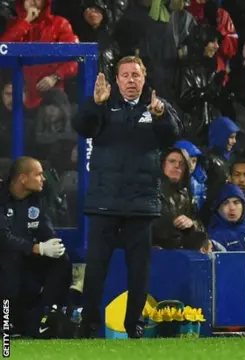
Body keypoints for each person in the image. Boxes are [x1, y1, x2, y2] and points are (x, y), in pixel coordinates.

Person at [71, 56, 182, 339]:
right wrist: (94, 103)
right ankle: (88, 324)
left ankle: (134, 325)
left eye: (136, 75)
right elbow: (83, 127)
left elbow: (172, 135)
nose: (131, 80)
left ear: (144, 78)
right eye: (125, 75)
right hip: (104, 201)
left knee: (139, 269)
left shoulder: (156, 106)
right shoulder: (103, 104)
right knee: (95, 267)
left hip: (141, 202)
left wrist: (161, 115)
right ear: (117, 79)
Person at [0, 157, 70, 336]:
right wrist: (38, 248)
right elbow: (4, 238)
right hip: (7, 256)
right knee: (10, 260)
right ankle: (6, 322)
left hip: (27, 254)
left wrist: (53, 244)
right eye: (38, 174)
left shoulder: (37, 198)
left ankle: (39, 317)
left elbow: (45, 227)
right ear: (23, 178)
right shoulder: (1, 198)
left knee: (61, 261)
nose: (43, 178)